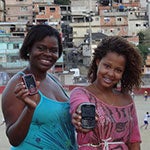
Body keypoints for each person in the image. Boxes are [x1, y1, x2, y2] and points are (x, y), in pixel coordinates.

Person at [1, 24, 77, 150]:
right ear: (28, 49)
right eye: (41, 48)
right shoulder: (17, 84)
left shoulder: (54, 80)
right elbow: (14, 139)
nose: (48, 54)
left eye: (53, 50)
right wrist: (30, 109)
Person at [70, 36, 142, 150]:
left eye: (118, 70)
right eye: (107, 66)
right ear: (98, 62)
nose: (111, 73)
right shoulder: (81, 93)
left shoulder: (127, 100)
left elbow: (134, 141)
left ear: (124, 73)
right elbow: (79, 106)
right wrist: (80, 115)